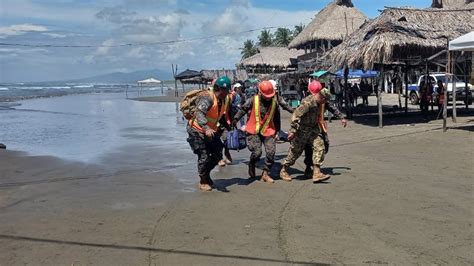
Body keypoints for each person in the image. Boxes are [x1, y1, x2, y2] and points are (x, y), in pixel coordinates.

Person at [280, 80, 348, 183]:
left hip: (314, 129)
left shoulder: (321, 101)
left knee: (320, 147)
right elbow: (296, 115)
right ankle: (284, 170)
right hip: (302, 130)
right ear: (321, 97)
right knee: (295, 152)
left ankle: (316, 172)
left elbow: (331, 107)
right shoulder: (308, 102)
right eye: (324, 101)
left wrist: (341, 117)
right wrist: (293, 131)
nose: (325, 104)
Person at [233, 81, 292, 183]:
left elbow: (277, 117)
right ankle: (252, 163)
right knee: (257, 152)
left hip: (268, 130)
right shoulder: (252, 100)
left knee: (271, 152)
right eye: (266, 96)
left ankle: (265, 173)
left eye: (270, 95)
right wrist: (235, 119)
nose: (268, 98)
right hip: (253, 130)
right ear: (260, 92)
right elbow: (243, 110)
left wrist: (277, 131)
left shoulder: (275, 101)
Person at [186, 76, 231, 191]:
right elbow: (199, 113)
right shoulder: (208, 97)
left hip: (210, 131)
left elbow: (218, 115)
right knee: (204, 155)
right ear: (217, 88)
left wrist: (229, 125)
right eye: (223, 91)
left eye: (226, 91)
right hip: (197, 130)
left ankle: (206, 175)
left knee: (217, 154)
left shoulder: (224, 99)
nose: (225, 94)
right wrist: (206, 127)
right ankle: (203, 181)